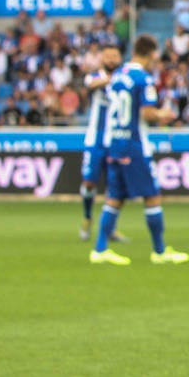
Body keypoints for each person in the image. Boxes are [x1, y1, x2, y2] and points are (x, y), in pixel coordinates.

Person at [89, 35, 189, 266]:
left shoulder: (118, 75)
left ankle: (100, 249)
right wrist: (163, 115)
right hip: (135, 146)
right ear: (151, 53)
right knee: (152, 195)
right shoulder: (143, 79)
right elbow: (147, 113)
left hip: (115, 142)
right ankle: (160, 251)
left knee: (114, 198)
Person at [79, 45, 124, 241]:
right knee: (89, 182)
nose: (112, 59)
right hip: (95, 140)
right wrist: (111, 79)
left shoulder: (126, 79)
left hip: (115, 140)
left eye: (115, 56)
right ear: (102, 59)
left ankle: (110, 227)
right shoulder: (95, 76)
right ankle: (88, 217)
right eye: (108, 56)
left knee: (114, 186)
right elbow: (91, 85)